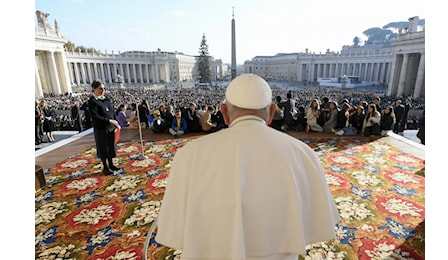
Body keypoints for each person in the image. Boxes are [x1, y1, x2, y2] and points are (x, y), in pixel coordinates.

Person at [156, 73, 339, 260]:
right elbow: (317, 220)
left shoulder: (189, 154)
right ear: (272, 111)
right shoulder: (302, 153)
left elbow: (173, 229)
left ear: (224, 112)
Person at [88, 80, 121, 175]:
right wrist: (109, 120)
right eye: (100, 89)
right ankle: (105, 167)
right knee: (103, 147)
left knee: (110, 146)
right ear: (94, 89)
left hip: (110, 127)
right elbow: (95, 116)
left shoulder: (106, 99)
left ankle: (111, 164)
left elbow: (112, 112)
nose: (103, 90)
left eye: (104, 88)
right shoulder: (92, 101)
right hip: (101, 128)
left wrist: (116, 123)